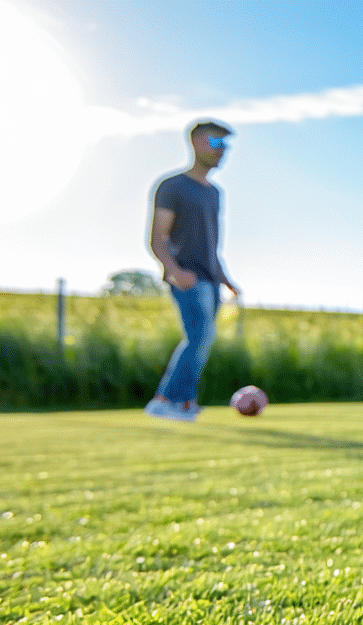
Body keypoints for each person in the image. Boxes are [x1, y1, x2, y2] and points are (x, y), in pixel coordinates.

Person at [143, 120, 240, 422]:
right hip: (186, 276)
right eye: (216, 143)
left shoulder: (214, 194)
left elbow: (211, 245)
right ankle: (164, 400)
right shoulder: (173, 186)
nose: (222, 151)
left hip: (210, 279)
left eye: (225, 146)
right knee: (199, 336)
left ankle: (184, 402)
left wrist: (226, 280)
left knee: (203, 339)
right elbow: (158, 237)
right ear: (197, 143)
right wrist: (173, 270)